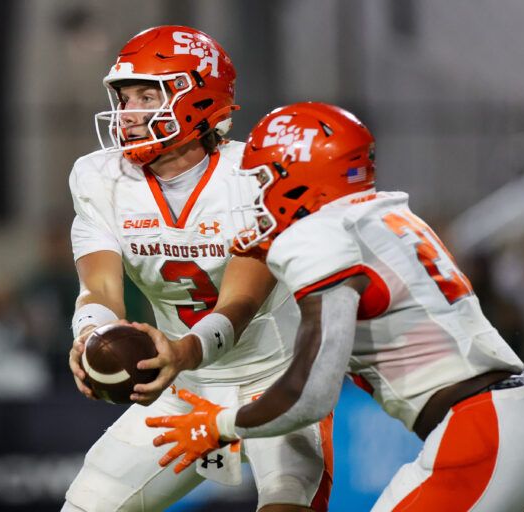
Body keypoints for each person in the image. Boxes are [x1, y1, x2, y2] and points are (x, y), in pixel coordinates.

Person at [146, 102, 524, 511]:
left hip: (484, 425)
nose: (254, 198)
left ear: (296, 177)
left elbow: (312, 391)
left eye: (262, 180)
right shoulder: (389, 213)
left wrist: (221, 424)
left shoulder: (318, 234)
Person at [63, 27, 333, 512]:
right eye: (125, 98)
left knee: (287, 500)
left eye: (148, 95)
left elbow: (241, 302)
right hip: (183, 389)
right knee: (88, 504)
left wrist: (183, 352)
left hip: (276, 381)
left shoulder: (253, 175)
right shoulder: (99, 178)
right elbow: (99, 290)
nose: (129, 112)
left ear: (199, 96)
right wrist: (90, 336)